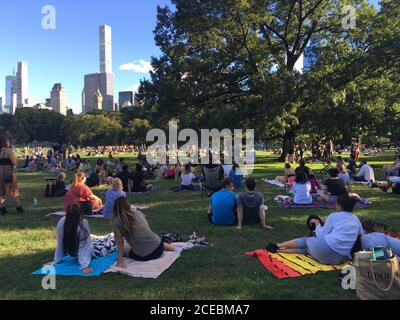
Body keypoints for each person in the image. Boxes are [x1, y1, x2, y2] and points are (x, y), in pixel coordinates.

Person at [266, 195, 364, 265]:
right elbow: (361, 235)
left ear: (339, 205)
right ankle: (278, 251)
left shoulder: (334, 216)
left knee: (306, 240)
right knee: (307, 250)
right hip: (336, 259)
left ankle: (278, 245)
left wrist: (317, 224)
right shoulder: (356, 219)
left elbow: (321, 235)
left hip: (324, 249)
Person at [51, 204, 116, 274]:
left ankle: (110, 236)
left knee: (105, 239)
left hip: (80, 249)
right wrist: (84, 266)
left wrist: (56, 260)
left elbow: (60, 244)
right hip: (85, 250)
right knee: (111, 243)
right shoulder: (81, 225)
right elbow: (85, 246)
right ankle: (112, 237)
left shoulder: (62, 222)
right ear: (80, 214)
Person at [112, 197, 178, 266]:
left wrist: (120, 261)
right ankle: (175, 248)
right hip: (159, 247)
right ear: (128, 205)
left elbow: (119, 242)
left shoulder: (117, 221)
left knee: (125, 248)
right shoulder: (138, 213)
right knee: (148, 241)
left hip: (146, 255)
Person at [0, 137, 23, 215]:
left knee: (2, 192)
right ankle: (19, 208)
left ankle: (2, 208)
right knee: (13, 192)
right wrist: (17, 161)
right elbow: (14, 163)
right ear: (6, 143)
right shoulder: (9, 151)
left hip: (0, 174)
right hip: (9, 173)